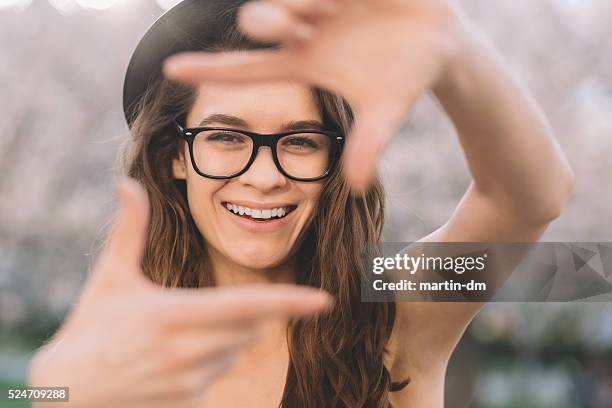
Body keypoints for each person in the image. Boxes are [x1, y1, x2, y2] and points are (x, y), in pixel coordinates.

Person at [27, 0, 575, 407]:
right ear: (176, 155)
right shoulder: (117, 344)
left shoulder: (395, 308)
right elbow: (43, 393)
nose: (264, 178)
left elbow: (529, 199)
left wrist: (454, 47)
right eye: (225, 137)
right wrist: (60, 390)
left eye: (300, 141)